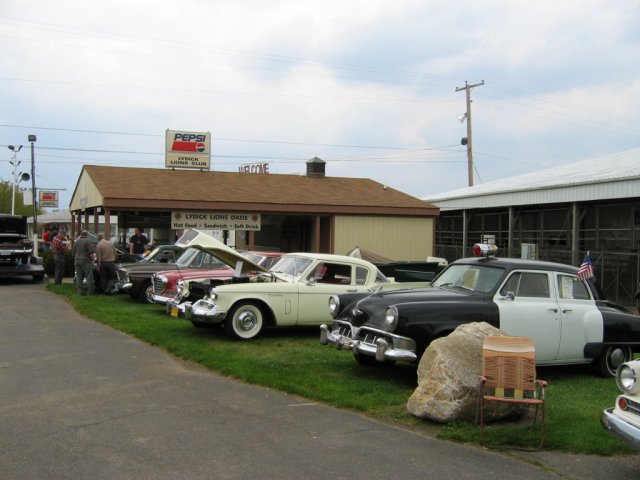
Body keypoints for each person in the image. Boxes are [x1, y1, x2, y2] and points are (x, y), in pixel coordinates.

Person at [73, 230, 95, 295]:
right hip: (85, 261)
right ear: (87, 235)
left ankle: (80, 291)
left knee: (79, 277)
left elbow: (73, 253)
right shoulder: (88, 241)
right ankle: (90, 292)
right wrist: (93, 259)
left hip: (77, 260)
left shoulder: (76, 241)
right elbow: (91, 253)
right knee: (89, 276)